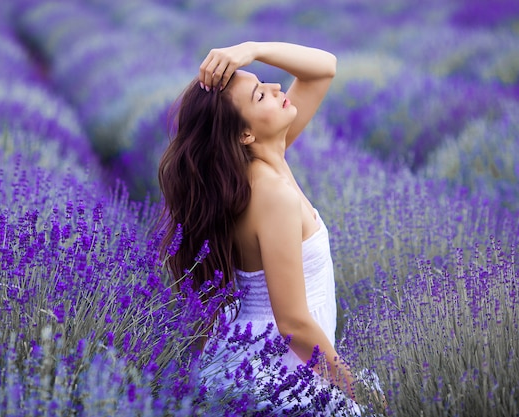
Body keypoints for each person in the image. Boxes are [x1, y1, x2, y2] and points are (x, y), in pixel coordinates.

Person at [158, 41, 373, 414]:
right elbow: (293, 323)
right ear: (245, 135)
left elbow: (324, 68)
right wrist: (363, 396)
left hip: (261, 353)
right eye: (260, 95)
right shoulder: (270, 194)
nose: (277, 89)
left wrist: (251, 49)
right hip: (279, 366)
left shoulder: (262, 162)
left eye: (267, 84)